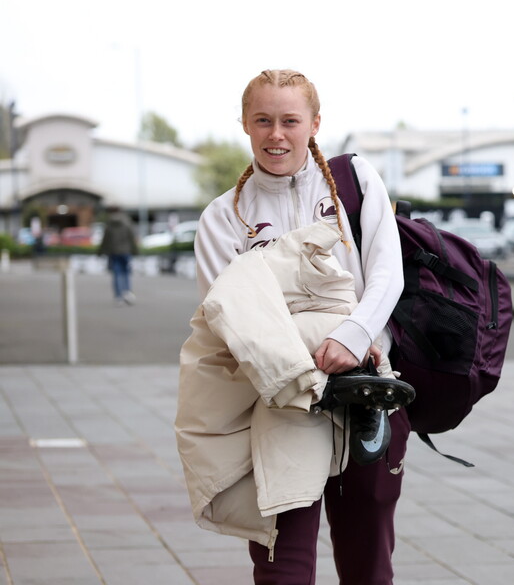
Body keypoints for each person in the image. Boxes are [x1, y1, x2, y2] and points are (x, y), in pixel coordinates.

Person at [191, 69, 406, 585]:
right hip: (277, 404)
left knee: (367, 563)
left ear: (314, 124)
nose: (276, 134)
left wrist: (353, 338)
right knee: (281, 566)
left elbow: (386, 273)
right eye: (262, 121)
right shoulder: (223, 218)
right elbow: (231, 319)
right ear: (245, 124)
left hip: (366, 390)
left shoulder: (355, 181)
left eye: (290, 120)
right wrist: (304, 361)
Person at [98, 205, 138, 305]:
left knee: (116, 274)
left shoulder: (109, 223)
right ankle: (127, 292)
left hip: (114, 252)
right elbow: (131, 237)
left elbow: (105, 240)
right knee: (126, 272)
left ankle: (118, 296)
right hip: (126, 251)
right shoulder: (126, 222)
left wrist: (100, 251)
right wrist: (135, 250)